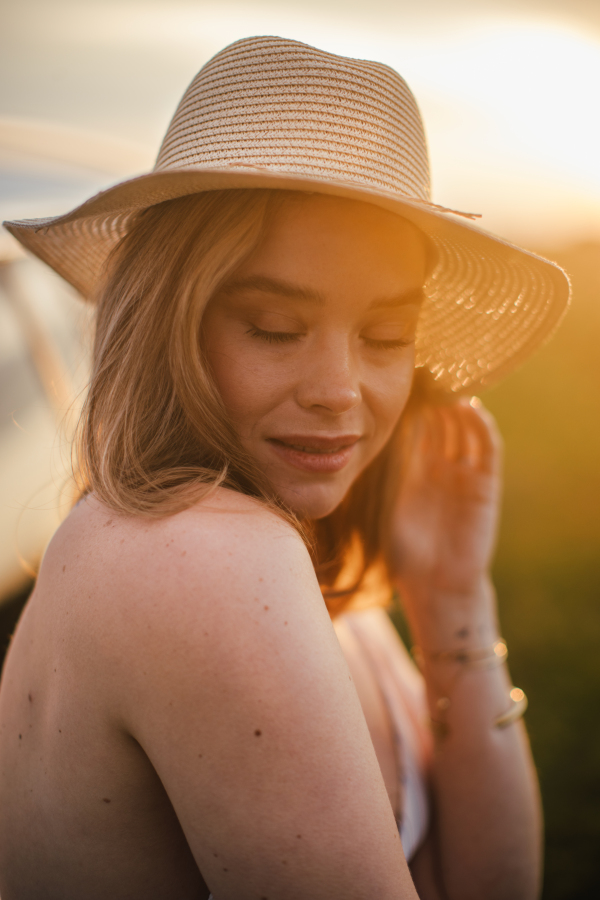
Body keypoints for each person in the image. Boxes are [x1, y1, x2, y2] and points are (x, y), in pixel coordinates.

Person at [0, 36, 569, 900]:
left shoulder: (320, 581)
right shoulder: (204, 557)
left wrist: (454, 598)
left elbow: (483, 882)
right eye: (272, 326)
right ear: (167, 326)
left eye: (386, 337)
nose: (342, 391)